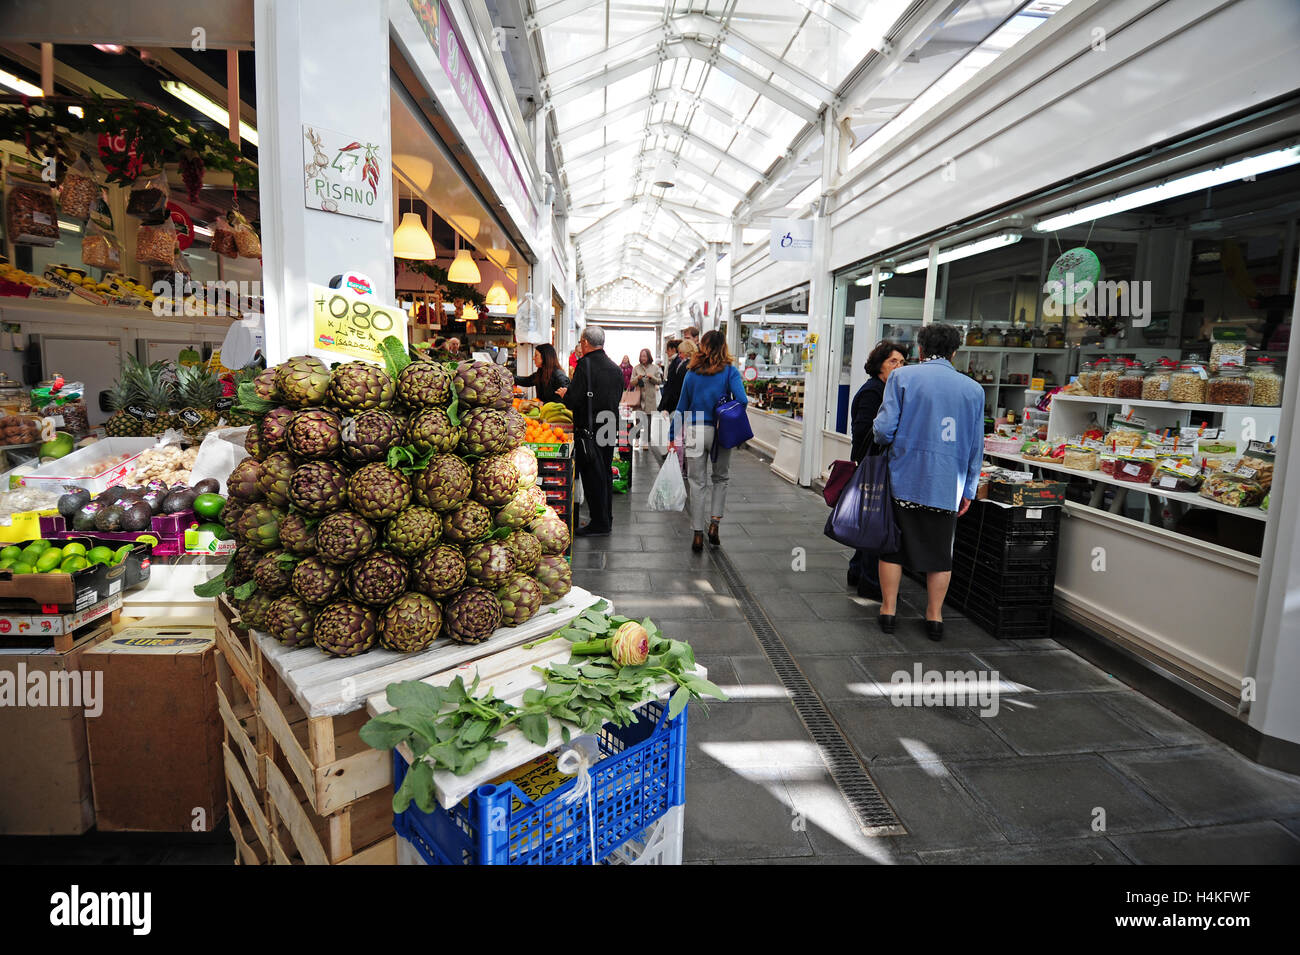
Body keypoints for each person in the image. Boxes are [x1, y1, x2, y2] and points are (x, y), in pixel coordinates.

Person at [871, 323, 984, 640]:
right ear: (954, 352)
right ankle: (934, 617)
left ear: (921, 349)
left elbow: (883, 430)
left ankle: (889, 611)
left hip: (904, 476)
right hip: (947, 483)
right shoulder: (973, 390)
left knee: (893, 547)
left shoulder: (902, 377)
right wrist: (969, 489)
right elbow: (976, 446)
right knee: (939, 551)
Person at [675, 330, 747, 553]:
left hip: (696, 429)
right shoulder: (730, 372)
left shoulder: (691, 372)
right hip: (720, 431)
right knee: (721, 478)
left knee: (697, 483)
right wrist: (725, 410)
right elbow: (742, 401)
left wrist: (671, 437)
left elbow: (681, 408)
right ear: (723, 346)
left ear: (702, 346)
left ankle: (697, 533)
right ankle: (714, 524)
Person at [846, 341, 908, 600]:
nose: (898, 366)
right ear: (879, 364)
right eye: (893, 361)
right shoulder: (874, 391)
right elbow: (862, 430)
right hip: (872, 465)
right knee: (876, 523)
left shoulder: (885, 389)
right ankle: (870, 582)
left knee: (870, 520)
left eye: (902, 362)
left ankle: (857, 570)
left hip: (872, 463)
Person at [565, 325, 624, 537]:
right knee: (605, 472)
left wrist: (565, 393)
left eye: (581, 341)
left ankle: (599, 523)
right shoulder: (615, 368)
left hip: (589, 428)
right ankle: (606, 518)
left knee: (592, 474)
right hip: (609, 424)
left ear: (586, 342)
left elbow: (574, 399)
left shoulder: (585, 365)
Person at [630, 348, 662, 451]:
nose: (643, 358)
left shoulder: (655, 368)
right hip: (639, 398)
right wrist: (637, 378)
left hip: (650, 398)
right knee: (639, 420)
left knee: (648, 421)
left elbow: (659, 381)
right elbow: (631, 383)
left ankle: (646, 442)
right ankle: (637, 439)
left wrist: (651, 377)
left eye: (644, 356)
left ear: (649, 357)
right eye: (641, 356)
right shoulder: (636, 368)